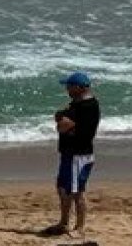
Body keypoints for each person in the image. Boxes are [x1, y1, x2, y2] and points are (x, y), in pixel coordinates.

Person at [42, 72, 101, 239]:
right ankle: (64, 222)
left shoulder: (88, 106)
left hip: (80, 155)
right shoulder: (76, 104)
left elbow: (62, 126)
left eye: (69, 86)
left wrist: (63, 120)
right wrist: (63, 119)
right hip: (69, 153)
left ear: (79, 88)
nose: (67, 89)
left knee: (77, 192)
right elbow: (61, 120)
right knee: (62, 188)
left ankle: (80, 227)